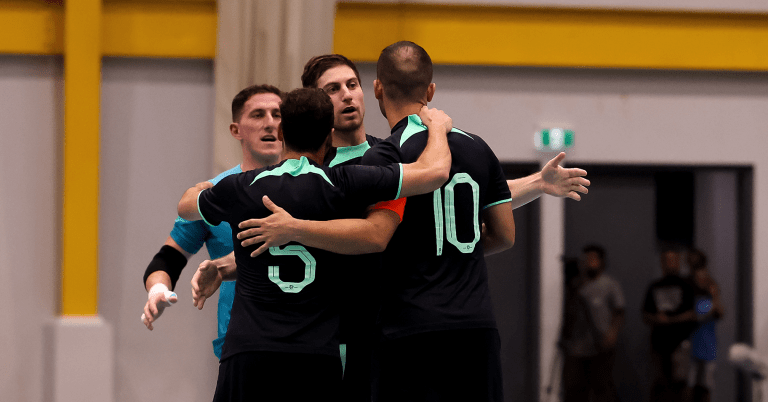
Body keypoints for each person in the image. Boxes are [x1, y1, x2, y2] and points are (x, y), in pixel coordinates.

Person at [177, 87, 453, 402]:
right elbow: (436, 172)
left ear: (281, 132)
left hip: (248, 352)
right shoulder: (345, 183)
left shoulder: (242, 187)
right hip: (315, 355)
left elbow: (186, 206)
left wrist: (208, 186)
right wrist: (438, 129)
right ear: (329, 135)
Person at [140, 85, 283, 360]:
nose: (270, 123)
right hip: (241, 342)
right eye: (258, 115)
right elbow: (168, 257)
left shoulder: (314, 183)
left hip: (307, 338)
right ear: (235, 130)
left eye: (278, 114)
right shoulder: (215, 194)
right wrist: (158, 289)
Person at [560, 245, 625, 402]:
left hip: (601, 345)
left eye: (592, 259)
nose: (588, 263)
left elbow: (619, 311)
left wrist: (612, 333)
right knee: (575, 391)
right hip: (577, 348)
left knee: (602, 389)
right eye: (585, 259)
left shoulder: (610, 284)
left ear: (601, 261)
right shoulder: (577, 286)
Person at [642, 248, 698, 402]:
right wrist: (656, 319)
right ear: (661, 263)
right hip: (658, 343)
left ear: (679, 262)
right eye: (666, 260)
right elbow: (645, 314)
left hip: (681, 342)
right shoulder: (654, 286)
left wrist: (672, 320)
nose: (670, 263)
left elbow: (696, 311)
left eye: (673, 260)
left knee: (681, 384)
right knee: (659, 384)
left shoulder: (688, 285)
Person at [684, 249, 724, 402]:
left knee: (707, 385)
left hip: (708, 340)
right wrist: (708, 308)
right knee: (689, 383)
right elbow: (692, 313)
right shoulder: (687, 284)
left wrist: (713, 303)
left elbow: (720, 311)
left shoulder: (711, 285)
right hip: (690, 339)